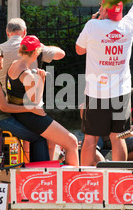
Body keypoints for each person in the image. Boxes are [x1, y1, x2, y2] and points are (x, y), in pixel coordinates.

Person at [76, 0, 133, 166]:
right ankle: (119, 176)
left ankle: (85, 177)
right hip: (121, 91)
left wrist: (95, 22)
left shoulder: (93, 25)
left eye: (101, 7)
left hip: (97, 92)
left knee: (90, 138)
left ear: (104, 10)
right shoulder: (128, 25)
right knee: (118, 137)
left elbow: (79, 50)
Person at [7, 35, 79, 166]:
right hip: (30, 117)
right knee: (72, 142)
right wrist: (42, 80)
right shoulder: (26, 74)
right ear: (35, 52)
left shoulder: (13, 65)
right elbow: (34, 103)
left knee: (55, 142)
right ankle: (73, 183)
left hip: (22, 115)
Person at [0, 44, 50, 162]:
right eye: (2, 56)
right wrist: (29, 109)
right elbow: (4, 107)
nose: (3, 59)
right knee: (38, 137)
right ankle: (40, 172)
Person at [0, 18, 65, 94]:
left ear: (7, 32)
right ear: (25, 31)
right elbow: (61, 54)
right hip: (30, 99)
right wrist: (43, 46)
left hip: (3, 101)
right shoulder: (34, 49)